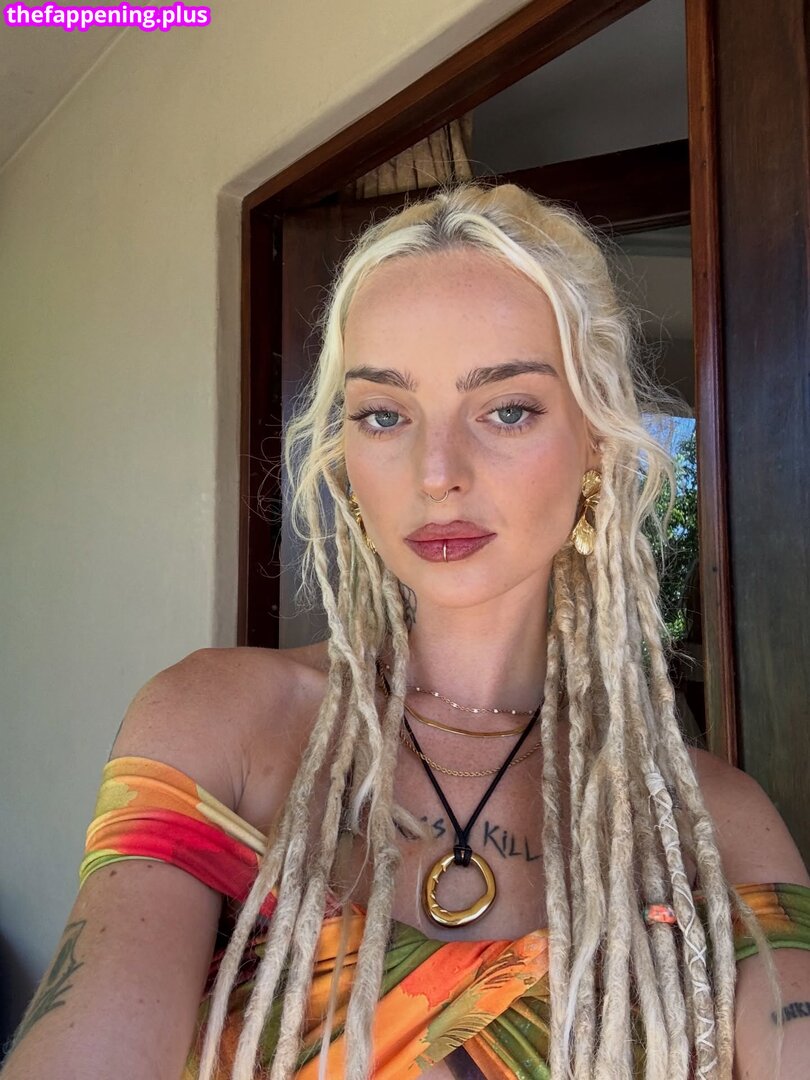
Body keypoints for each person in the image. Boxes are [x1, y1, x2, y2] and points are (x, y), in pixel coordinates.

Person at [3, 182, 809, 1080]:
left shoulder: (713, 819)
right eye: (385, 414)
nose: (436, 472)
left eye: (507, 408)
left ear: (595, 439)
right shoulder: (221, 723)